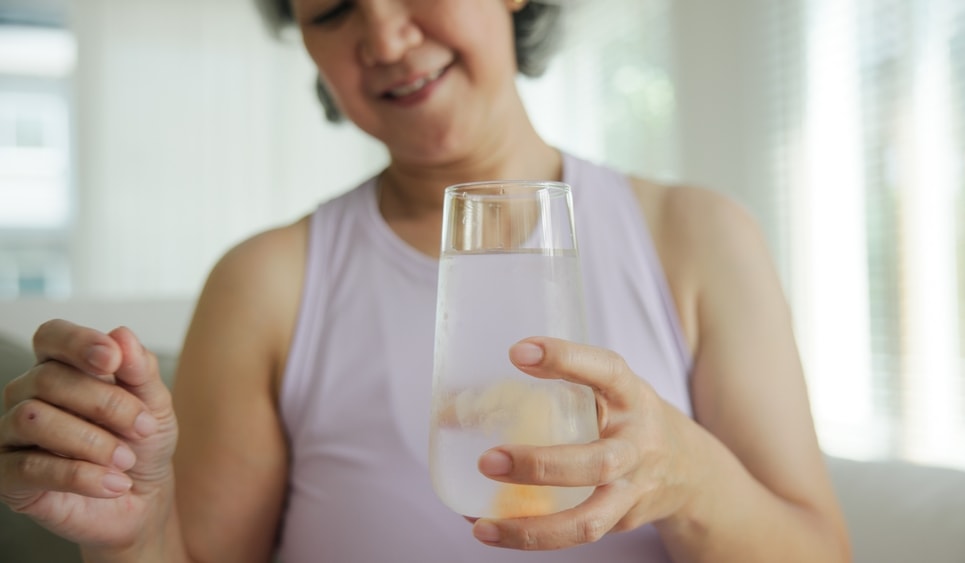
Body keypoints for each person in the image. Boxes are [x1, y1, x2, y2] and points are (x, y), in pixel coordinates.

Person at [0, 0, 851, 561]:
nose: (383, 37)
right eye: (334, 8)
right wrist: (132, 534)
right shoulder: (263, 284)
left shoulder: (700, 238)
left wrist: (690, 475)